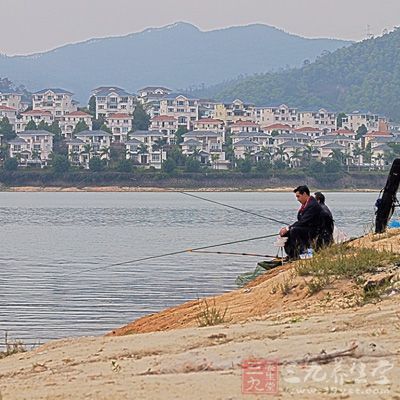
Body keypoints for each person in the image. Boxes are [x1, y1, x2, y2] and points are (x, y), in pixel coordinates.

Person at [279, 185, 322, 259]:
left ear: (304, 194)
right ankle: (292, 254)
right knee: (286, 233)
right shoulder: (305, 204)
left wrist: (288, 227)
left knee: (294, 230)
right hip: (306, 228)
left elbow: (303, 221)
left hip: (314, 230)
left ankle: (303, 252)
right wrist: (287, 229)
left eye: (298, 196)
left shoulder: (313, 205)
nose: (297, 199)